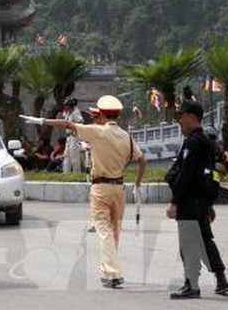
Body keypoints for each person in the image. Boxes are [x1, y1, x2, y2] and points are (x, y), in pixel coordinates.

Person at [22, 95, 147, 289]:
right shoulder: (126, 137)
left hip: (100, 187)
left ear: (103, 115)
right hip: (119, 189)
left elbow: (66, 124)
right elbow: (142, 160)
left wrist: (42, 121)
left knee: (104, 230)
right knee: (114, 232)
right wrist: (138, 183)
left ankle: (113, 273)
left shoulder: (98, 132)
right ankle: (108, 272)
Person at [165, 101, 228, 299]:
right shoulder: (206, 142)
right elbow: (208, 175)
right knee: (205, 240)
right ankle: (221, 279)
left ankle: (191, 285)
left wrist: (175, 201)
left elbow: (186, 175)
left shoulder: (193, 142)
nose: (180, 121)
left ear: (191, 116)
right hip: (200, 201)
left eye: (182, 116)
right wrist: (209, 204)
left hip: (189, 201)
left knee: (189, 243)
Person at [62, 98, 84, 173]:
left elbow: (81, 122)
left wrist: (72, 127)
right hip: (68, 137)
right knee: (66, 155)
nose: (65, 106)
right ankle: (66, 173)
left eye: (67, 105)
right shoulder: (68, 113)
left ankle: (76, 173)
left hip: (74, 136)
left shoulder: (76, 112)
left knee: (74, 156)